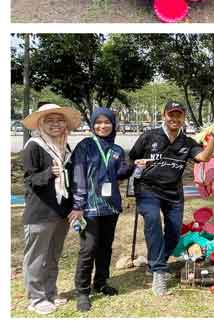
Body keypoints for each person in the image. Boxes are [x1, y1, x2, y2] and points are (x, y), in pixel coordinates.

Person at [129, 101, 214, 296]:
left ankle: (155, 263)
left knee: (174, 233)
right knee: (152, 222)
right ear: (163, 115)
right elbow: (131, 158)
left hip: (173, 192)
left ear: (183, 118)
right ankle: (159, 271)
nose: (174, 119)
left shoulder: (186, 141)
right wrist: (136, 167)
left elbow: (203, 157)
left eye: (178, 115)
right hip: (147, 189)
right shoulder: (148, 136)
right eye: (171, 114)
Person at [71, 108, 133, 312]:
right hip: (88, 207)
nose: (103, 126)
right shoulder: (85, 146)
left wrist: (133, 167)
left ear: (113, 125)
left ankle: (101, 282)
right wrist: (78, 205)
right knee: (88, 248)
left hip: (110, 206)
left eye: (107, 122)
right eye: (98, 122)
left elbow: (118, 174)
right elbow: (78, 175)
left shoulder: (116, 149)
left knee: (106, 246)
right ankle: (82, 291)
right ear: (92, 125)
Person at [21, 103, 81, 315]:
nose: (56, 124)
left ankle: (51, 292)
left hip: (61, 213)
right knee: (36, 257)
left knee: (53, 256)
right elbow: (29, 180)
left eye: (59, 120)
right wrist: (49, 173)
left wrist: (75, 206)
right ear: (40, 124)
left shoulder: (64, 146)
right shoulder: (34, 145)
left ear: (65, 124)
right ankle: (36, 299)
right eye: (50, 120)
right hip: (40, 213)